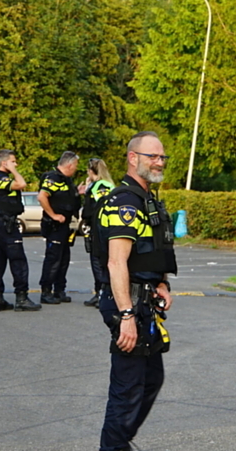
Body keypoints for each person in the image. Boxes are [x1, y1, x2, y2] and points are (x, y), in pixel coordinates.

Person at [96, 131, 177, 451]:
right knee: (127, 390)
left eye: (162, 157)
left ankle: (118, 443)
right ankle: (113, 447)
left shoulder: (147, 199)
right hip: (127, 303)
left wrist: (160, 284)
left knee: (151, 381)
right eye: (152, 157)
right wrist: (126, 314)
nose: (159, 162)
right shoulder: (124, 201)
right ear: (133, 159)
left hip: (144, 302)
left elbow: (149, 252)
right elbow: (117, 263)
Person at [0, 149, 41, 312]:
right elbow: (21, 184)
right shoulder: (1, 179)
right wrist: (14, 170)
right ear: (4, 163)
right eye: (13, 161)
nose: (16, 164)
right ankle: (21, 297)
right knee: (18, 260)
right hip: (6, 225)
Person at [37, 151, 85, 304]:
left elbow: (65, 198)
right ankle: (46, 291)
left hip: (65, 226)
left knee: (64, 258)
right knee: (53, 259)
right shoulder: (53, 178)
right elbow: (42, 196)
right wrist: (53, 215)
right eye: (76, 165)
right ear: (70, 165)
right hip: (55, 226)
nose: (76, 169)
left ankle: (59, 290)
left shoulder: (66, 181)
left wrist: (77, 192)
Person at [81, 158, 115, 308]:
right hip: (111, 228)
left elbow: (88, 212)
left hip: (97, 228)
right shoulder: (110, 185)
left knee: (97, 262)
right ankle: (109, 292)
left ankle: (100, 293)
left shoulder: (94, 188)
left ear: (90, 171)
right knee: (109, 262)